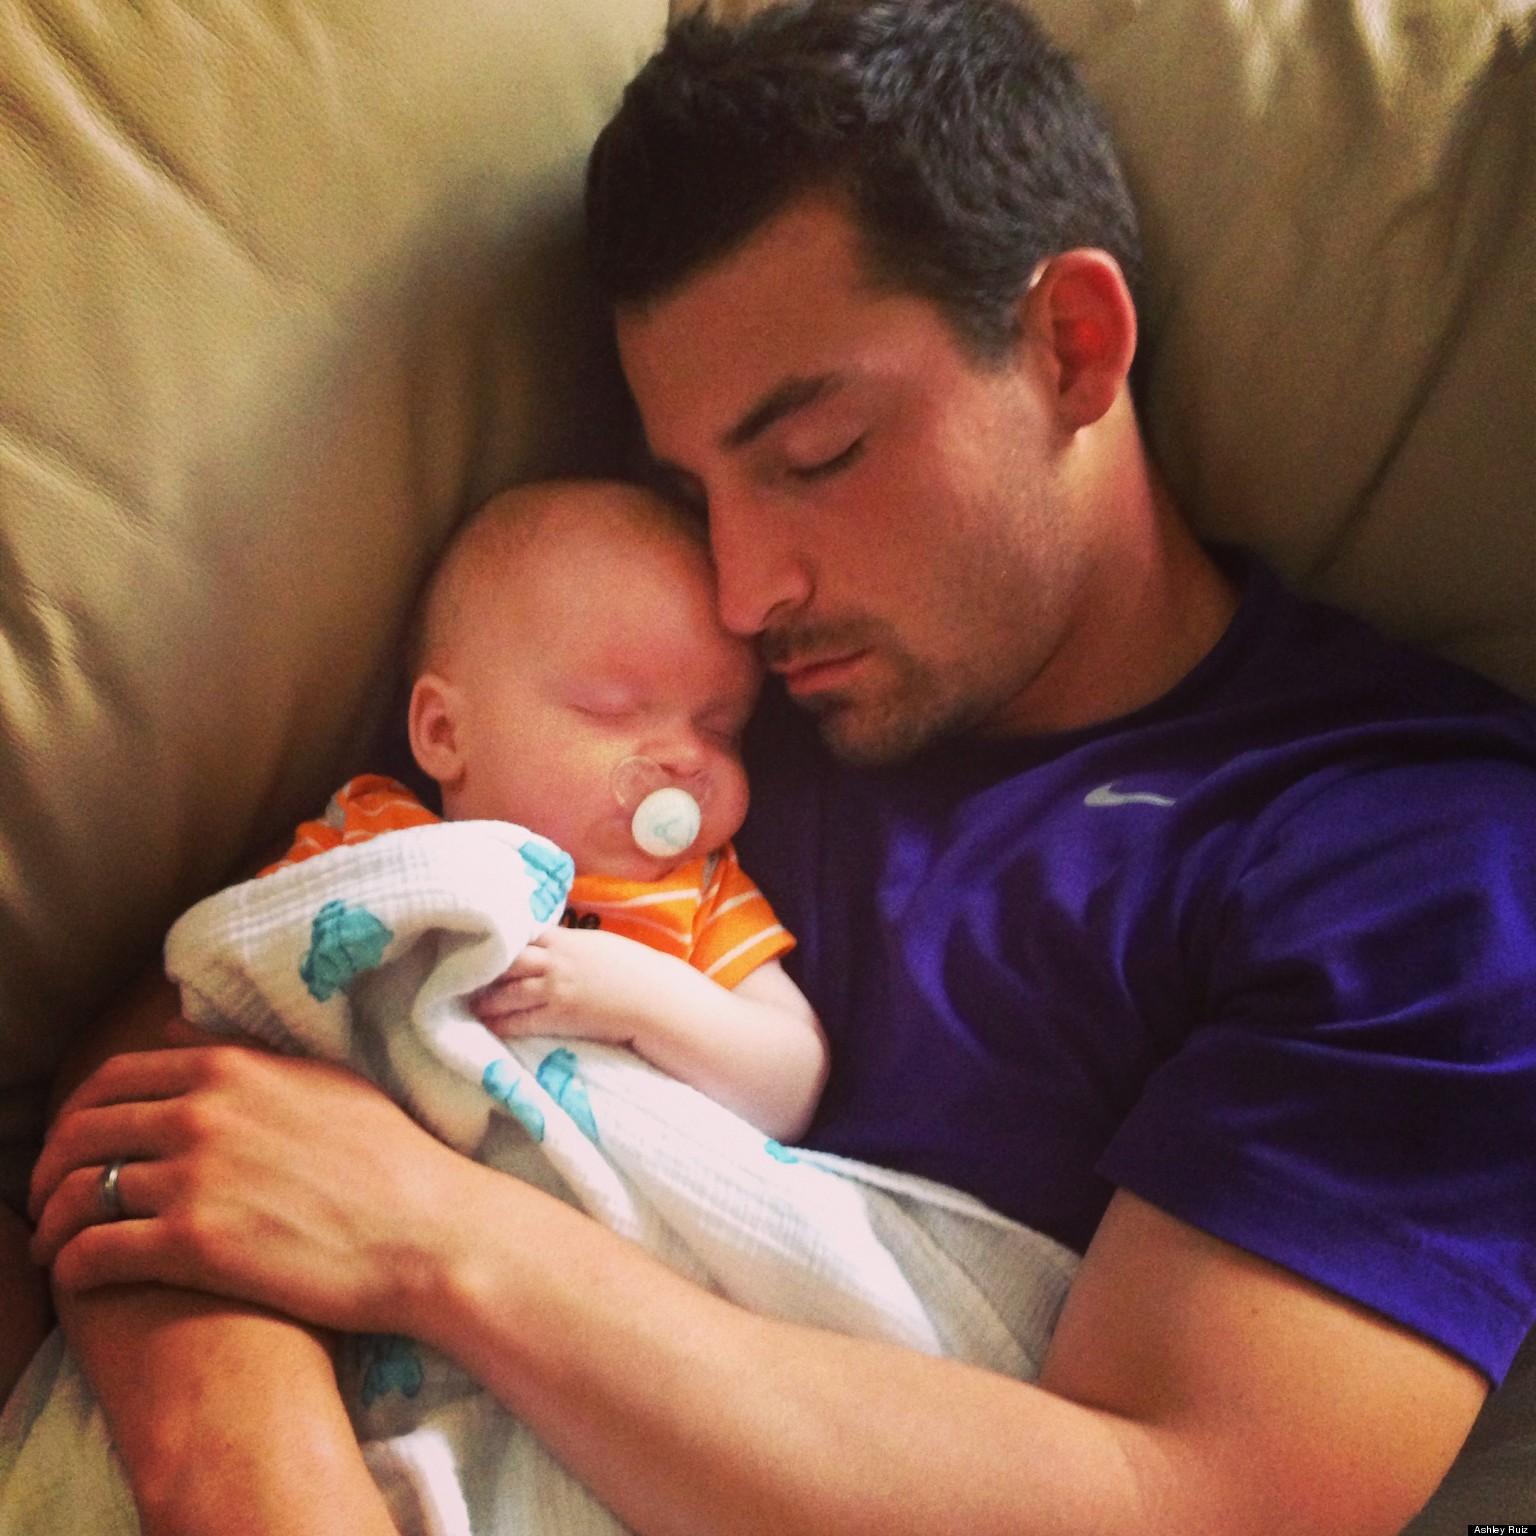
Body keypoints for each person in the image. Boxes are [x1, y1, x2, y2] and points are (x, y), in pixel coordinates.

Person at [23, 1, 1536, 1533]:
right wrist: (252, 1468)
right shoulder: (693, 700)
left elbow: (1188, 1502)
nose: (744, 593)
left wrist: (432, 1241)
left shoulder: (1406, 856)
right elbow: (220, 1019)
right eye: (694, 495)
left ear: (1072, 347)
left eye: (816, 457)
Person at [265, 478, 827, 1142]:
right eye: (611, 710)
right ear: (446, 733)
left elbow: (792, 1083)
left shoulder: (701, 895)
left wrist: (641, 1000)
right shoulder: (376, 837)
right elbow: (254, 963)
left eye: (721, 730)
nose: (687, 757)